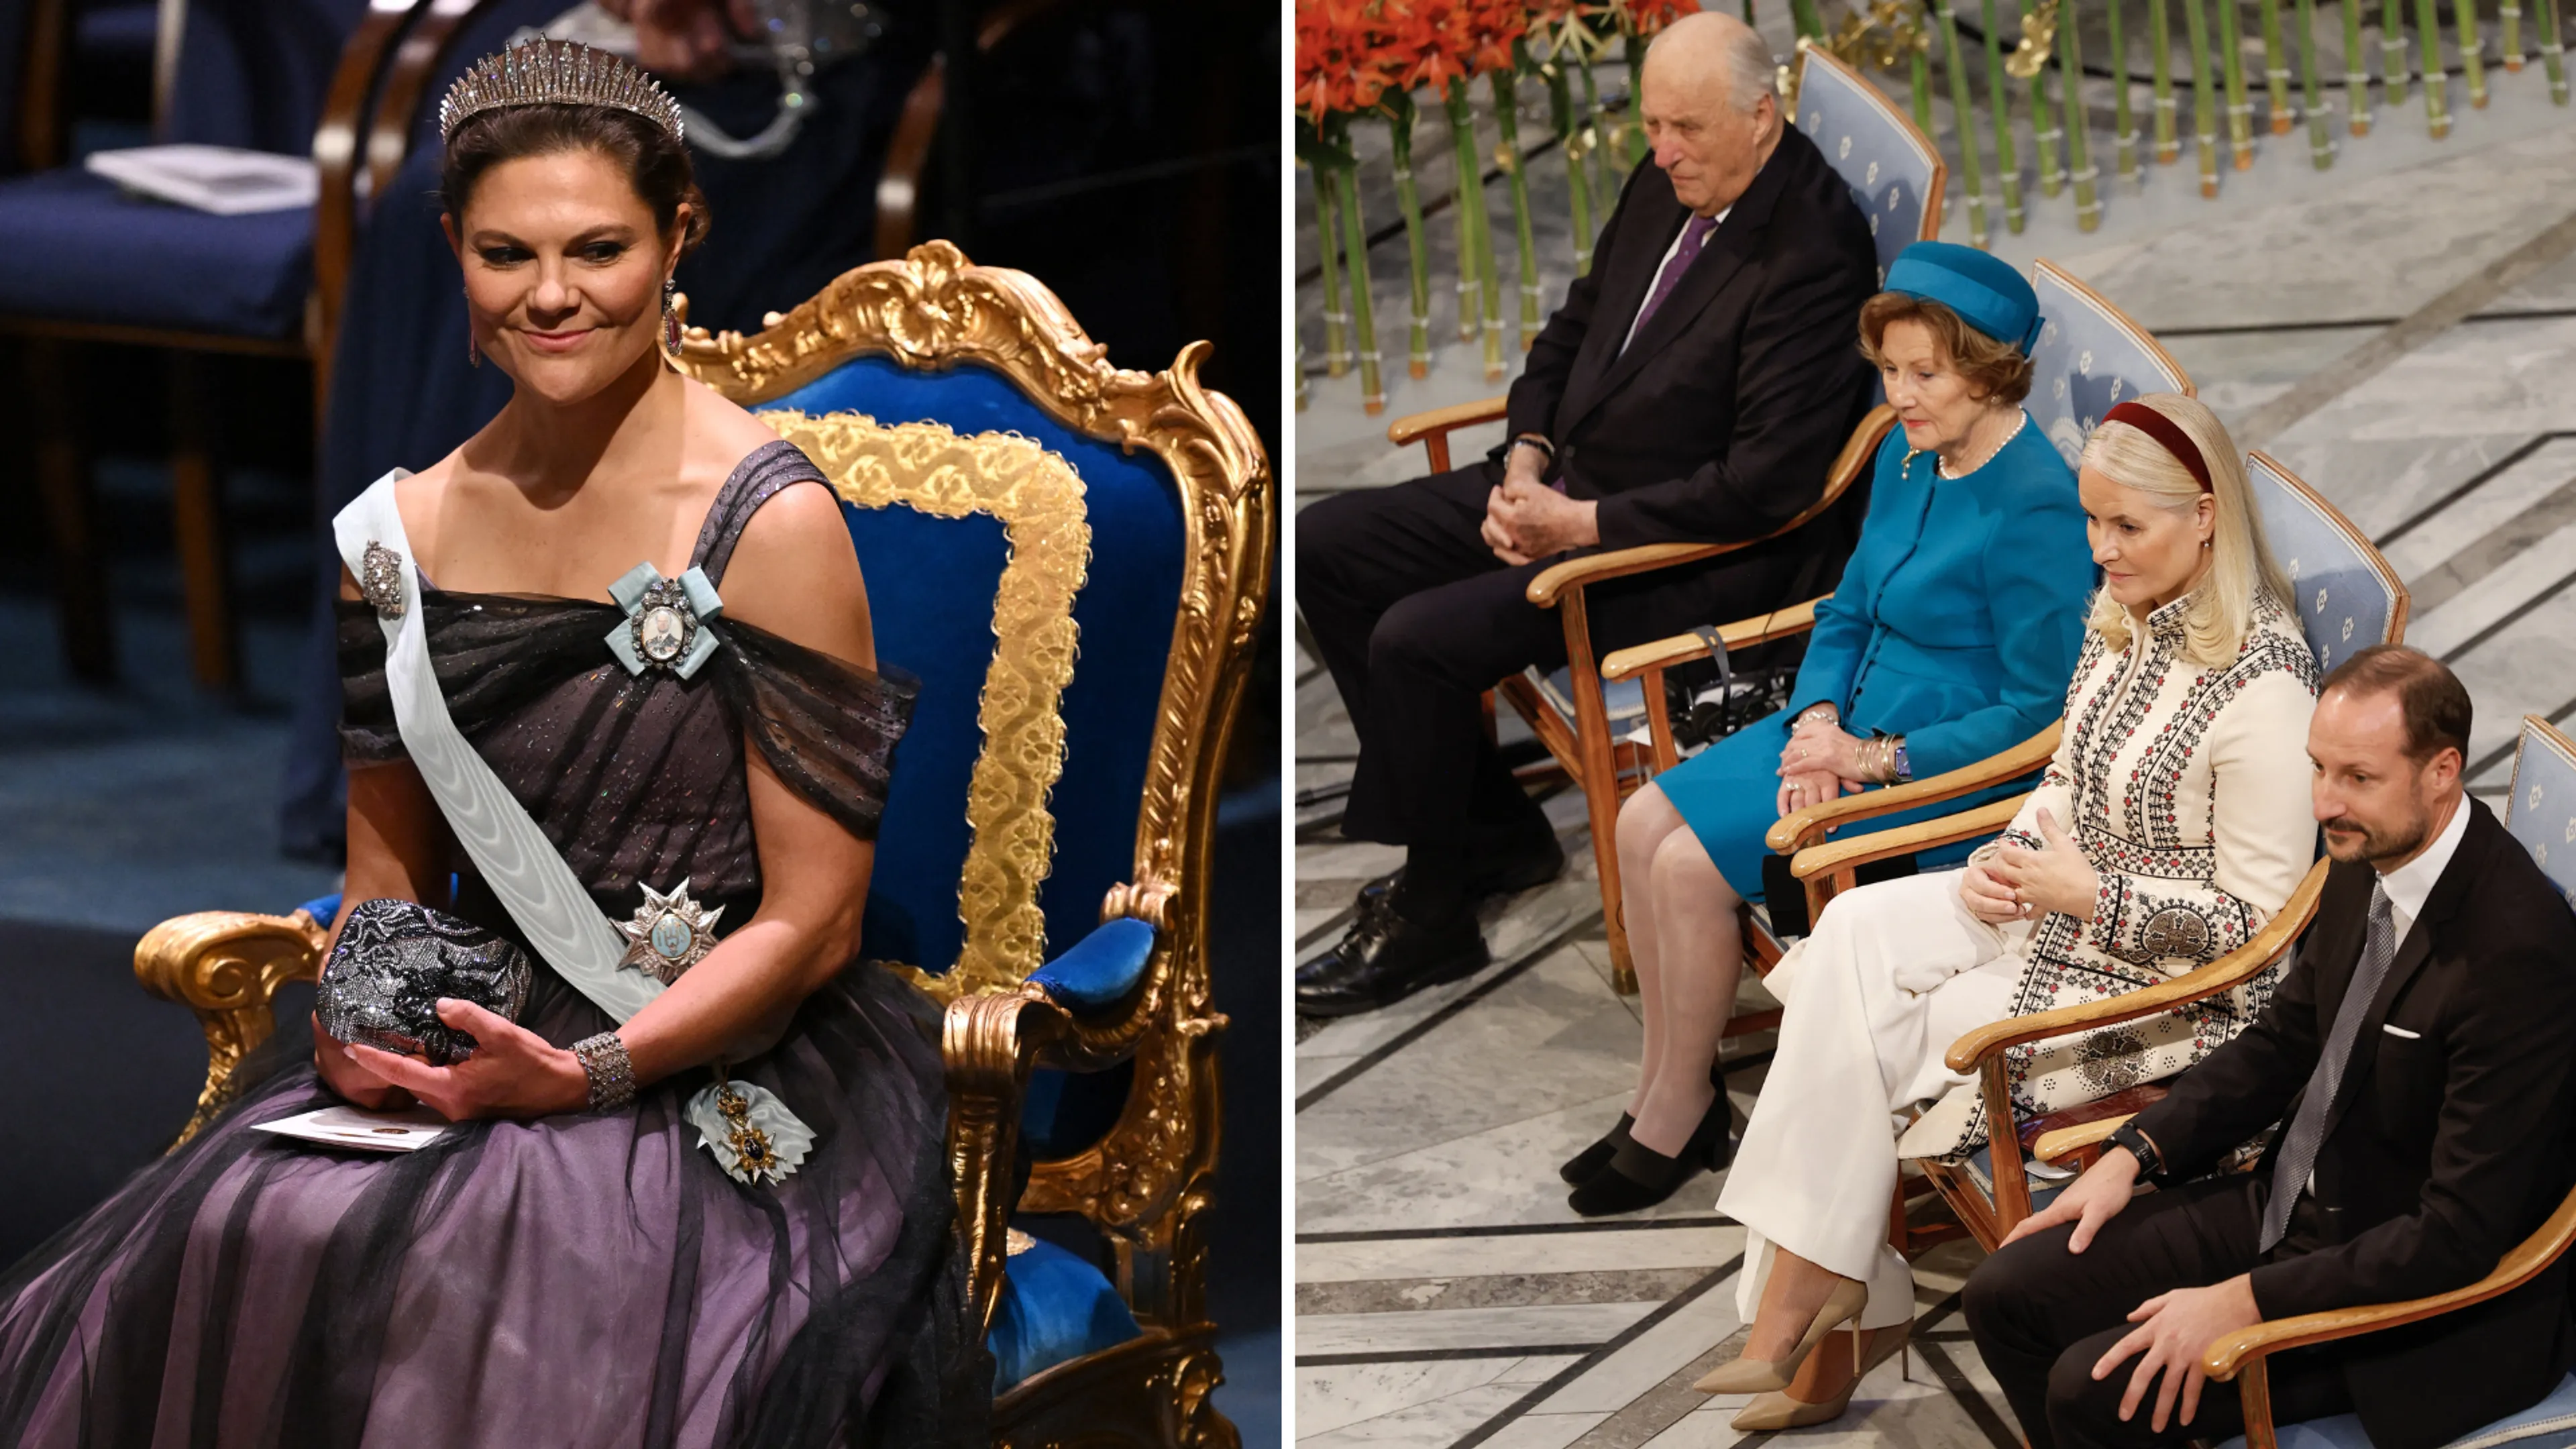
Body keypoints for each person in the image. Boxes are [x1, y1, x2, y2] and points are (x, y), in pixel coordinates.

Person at [0, 44, 985, 1444]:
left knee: (513, 1284)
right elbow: (387, 879)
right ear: (455, 254)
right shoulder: (397, 538)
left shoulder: (771, 524)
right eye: (507, 254)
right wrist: (364, 1032)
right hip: (476, 1031)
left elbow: (816, 928)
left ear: (679, 236)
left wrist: (583, 1074)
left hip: (717, 1058)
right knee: (250, 1227)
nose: (554, 296)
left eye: (600, 249)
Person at [1692, 393, 2320, 1430]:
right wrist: (2008, 850)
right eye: (2090, 521)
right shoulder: (2126, 619)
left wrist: (2097, 896)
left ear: (2206, 516)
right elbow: (2063, 779)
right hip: (2052, 905)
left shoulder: (2268, 690)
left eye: (2127, 527)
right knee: (1847, 935)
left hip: (2164, 993)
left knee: (1864, 1027)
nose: (2100, 552)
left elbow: (2262, 934)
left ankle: (1816, 1309)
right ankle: (1831, 1299)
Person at [1293, 9, 1879, 1016]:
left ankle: (1437, 907)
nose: (1663, 152)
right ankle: (1492, 833)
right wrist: (1528, 457)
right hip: (1571, 483)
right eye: (1653, 126)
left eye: (1686, 130)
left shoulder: (1812, 253)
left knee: (1416, 640)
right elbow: (1575, 327)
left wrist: (1576, 526)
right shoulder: (1676, 176)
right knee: (1327, 546)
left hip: (1685, 551)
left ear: (1762, 118)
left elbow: (1765, 485)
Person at [1564, 241, 2095, 1218]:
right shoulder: (1907, 455)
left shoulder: (2041, 507)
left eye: (1924, 373)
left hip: (1942, 771)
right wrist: (1814, 719)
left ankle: (1682, 1111)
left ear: (1988, 369)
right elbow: (1847, 608)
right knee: (1643, 821)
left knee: (1686, 868)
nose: (1901, 394)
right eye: (1890, 370)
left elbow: (2040, 712)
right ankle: (1659, 1091)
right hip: (1841, 725)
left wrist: (1869, 759)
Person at [1964, 647, 2576, 1449]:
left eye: (2357, 776)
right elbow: (2284, 1042)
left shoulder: (2516, 954)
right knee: (2005, 1292)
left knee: (2094, 1387)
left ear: (2442, 771)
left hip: (2410, 1302)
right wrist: (2132, 1153)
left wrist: (2245, 1301)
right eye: (2319, 769)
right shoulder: (2370, 851)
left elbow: (2457, 1234)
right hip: (2295, 1204)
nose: (2326, 803)